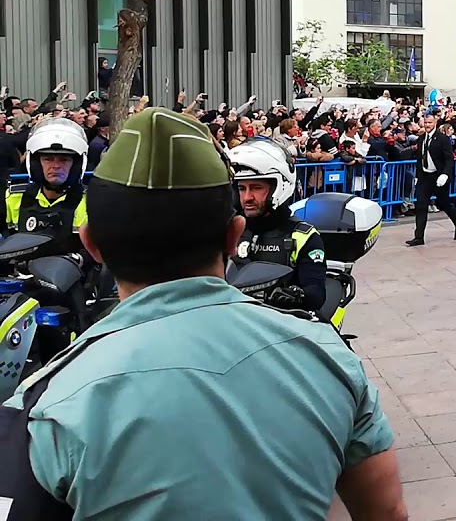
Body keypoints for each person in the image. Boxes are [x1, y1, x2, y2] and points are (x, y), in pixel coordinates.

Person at [0, 107, 407, 520]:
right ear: (234, 235)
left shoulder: (42, 407)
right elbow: (387, 512)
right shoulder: (330, 362)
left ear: (91, 244)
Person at [227, 138, 327, 313]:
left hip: (280, 324)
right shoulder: (231, 230)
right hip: (234, 319)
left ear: (279, 187)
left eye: (256, 188)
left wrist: (296, 296)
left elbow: (316, 292)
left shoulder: (303, 236)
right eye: (242, 188)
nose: (247, 198)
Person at [4, 118, 89, 256]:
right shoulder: (14, 197)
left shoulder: (90, 202)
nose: (56, 166)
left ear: (76, 165)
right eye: (48, 159)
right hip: (21, 275)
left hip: (74, 275)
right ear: (36, 163)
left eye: (64, 160)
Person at [406, 115, 456, 246]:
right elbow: (420, 158)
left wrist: (445, 175)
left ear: (435, 123)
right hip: (425, 177)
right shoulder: (421, 139)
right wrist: (418, 175)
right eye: (425, 122)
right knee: (421, 205)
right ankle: (419, 237)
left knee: (444, 204)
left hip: (438, 177)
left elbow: (449, 159)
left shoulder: (442, 139)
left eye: (430, 122)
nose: (427, 125)